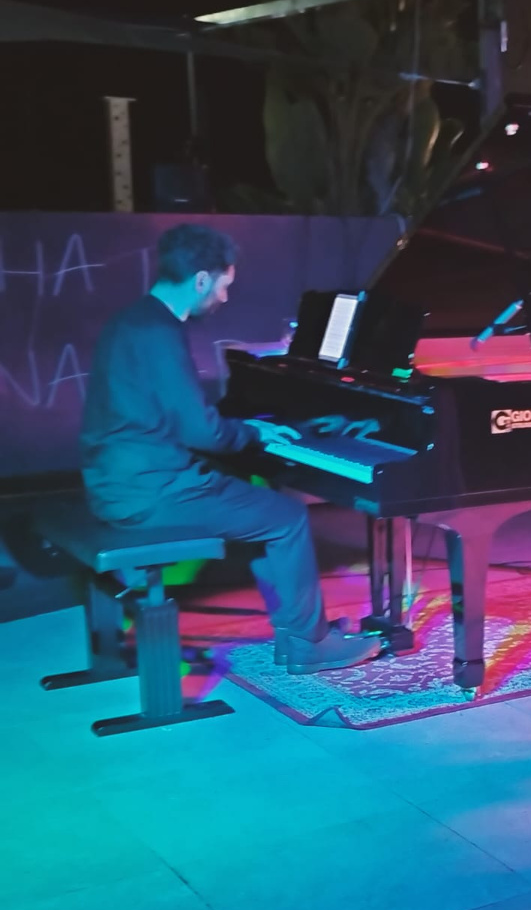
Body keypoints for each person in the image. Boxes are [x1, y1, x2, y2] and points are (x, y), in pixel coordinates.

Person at [79, 225, 383, 674]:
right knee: (288, 517)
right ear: (201, 279)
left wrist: (245, 429)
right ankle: (308, 645)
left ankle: (299, 627)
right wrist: (255, 434)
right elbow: (203, 434)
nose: (224, 297)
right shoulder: (161, 332)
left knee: (259, 504)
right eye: (224, 285)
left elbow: (173, 419)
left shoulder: (133, 320)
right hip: (149, 492)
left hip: (116, 478)